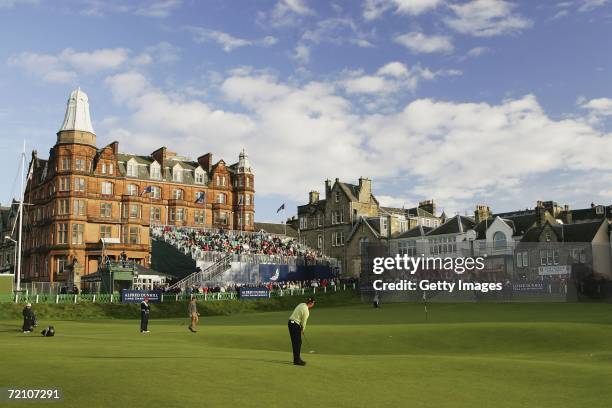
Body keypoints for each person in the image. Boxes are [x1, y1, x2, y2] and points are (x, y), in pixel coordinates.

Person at [288, 297, 315, 366]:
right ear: (311, 303)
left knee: (297, 342)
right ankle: (297, 360)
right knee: (297, 342)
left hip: (291, 323)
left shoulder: (302, 304)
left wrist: (300, 328)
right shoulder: (306, 311)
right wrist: (302, 329)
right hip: (294, 325)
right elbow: (303, 322)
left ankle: (297, 359)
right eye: (313, 303)